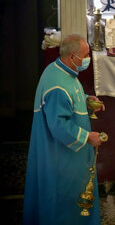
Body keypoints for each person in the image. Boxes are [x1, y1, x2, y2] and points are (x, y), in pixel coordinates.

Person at [23, 34, 105, 225]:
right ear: (72, 57)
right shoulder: (57, 86)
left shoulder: (60, 70)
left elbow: (71, 98)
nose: (88, 60)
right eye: (85, 55)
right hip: (61, 159)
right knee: (66, 204)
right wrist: (87, 137)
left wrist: (86, 100)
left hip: (67, 155)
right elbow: (59, 126)